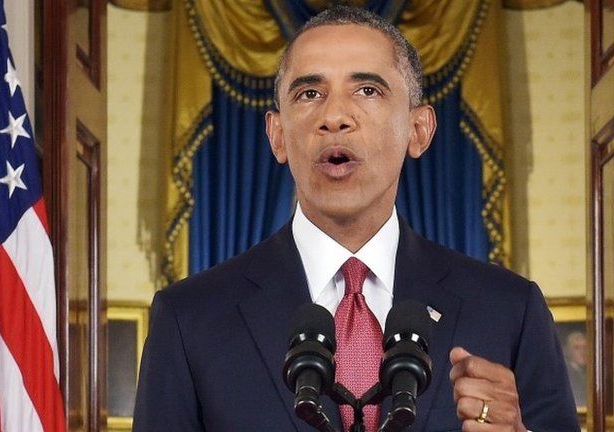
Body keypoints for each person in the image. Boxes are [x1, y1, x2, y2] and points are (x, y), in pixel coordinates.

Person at [133, 6, 579, 432]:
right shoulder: (188, 318)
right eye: (310, 93)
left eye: (367, 90)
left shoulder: (509, 310)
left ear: (418, 130)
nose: (334, 117)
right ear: (278, 136)